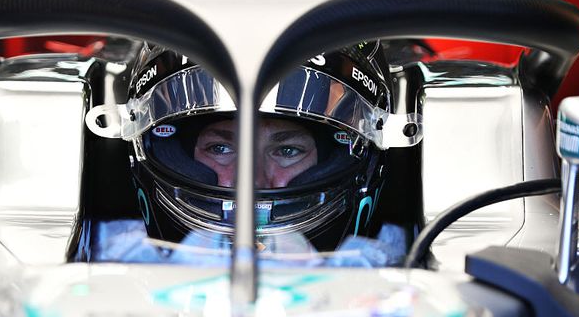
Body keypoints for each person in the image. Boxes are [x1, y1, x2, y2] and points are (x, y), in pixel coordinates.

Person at [94, 39, 417, 267]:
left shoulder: (403, 259)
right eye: (220, 148)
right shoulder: (109, 254)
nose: (252, 180)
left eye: (288, 150)